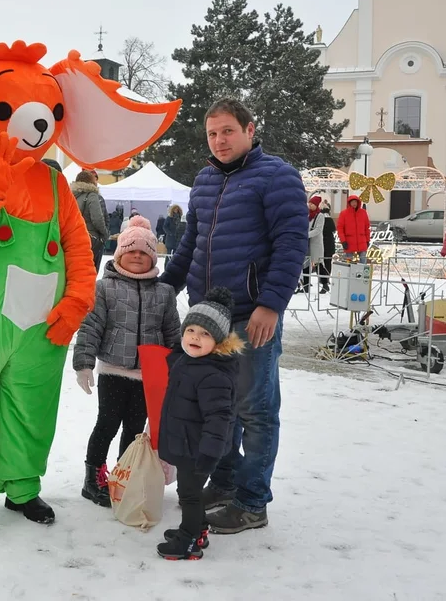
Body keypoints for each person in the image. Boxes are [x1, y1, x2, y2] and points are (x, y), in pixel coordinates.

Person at [161, 97, 308, 535]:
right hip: (208, 318)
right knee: (216, 407)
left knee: (255, 410)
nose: (219, 140)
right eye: (212, 133)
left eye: (227, 131)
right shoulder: (204, 180)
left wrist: (271, 305)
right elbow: (192, 241)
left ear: (249, 129)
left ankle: (251, 501)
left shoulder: (277, 176)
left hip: (250, 316)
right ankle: (224, 484)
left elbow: (290, 245)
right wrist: (164, 286)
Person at [72, 215, 181, 507]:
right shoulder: (105, 288)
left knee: (135, 430)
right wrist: (83, 363)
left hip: (148, 374)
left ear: (152, 257)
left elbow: (172, 332)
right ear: (120, 254)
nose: (137, 255)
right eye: (131, 250)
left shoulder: (164, 292)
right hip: (114, 370)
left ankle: (124, 475)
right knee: (107, 423)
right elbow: (91, 325)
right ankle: (92, 478)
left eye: (144, 252)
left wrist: (177, 370)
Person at [155, 287, 243, 560]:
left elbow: (219, 419)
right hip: (186, 442)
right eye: (191, 330)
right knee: (188, 493)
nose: (195, 337)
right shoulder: (187, 361)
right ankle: (198, 528)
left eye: (205, 334)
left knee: (189, 496)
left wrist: (208, 454)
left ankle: (190, 539)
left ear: (217, 342)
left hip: (198, 450)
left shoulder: (213, 375)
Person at [71, 170, 109, 273]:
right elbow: (97, 219)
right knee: (90, 269)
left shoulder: (72, 195)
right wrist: (105, 234)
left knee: (76, 269)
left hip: (73, 237)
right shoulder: (92, 195)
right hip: (91, 239)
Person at [302, 195, 326, 295]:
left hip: (315, 243)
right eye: (310, 203)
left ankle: (325, 283)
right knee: (306, 264)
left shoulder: (320, 216)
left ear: (316, 205)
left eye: (312, 204)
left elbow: (318, 230)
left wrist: (306, 235)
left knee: (318, 263)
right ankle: (306, 285)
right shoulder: (306, 215)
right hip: (306, 243)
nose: (310, 205)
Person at [336, 194, 371, 261]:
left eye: (355, 202)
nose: (354, 203)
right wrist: (343, 241)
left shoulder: (363, 213)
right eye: (352, 202)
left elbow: (367, 227)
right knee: (349, 263)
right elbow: (340, 228)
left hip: (362, 241)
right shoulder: (344, 214)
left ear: (358, 203)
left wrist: (367, 240)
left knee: (363, 262)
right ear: (349, 203)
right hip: (349, 242)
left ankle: (361, 272)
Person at [319, 201, 336, 293]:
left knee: (321, 262)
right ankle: (326, 279)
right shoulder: (330, 219)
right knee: (327, 262)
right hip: (329, 244)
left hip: (322, 243)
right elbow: (333, 229)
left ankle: (324, 281)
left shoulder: (320, 219)